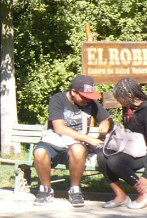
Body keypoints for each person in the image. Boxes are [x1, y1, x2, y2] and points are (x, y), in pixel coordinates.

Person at [32, 74, 112, 208]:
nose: (87, 100)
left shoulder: (89, 102)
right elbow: (59, 129)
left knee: (78, 149)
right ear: (73, 92)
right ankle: (45, 189)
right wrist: (89, 139)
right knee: (39, 152)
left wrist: (105, 122)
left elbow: (106, 117)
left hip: (75, 144)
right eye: (84, 97)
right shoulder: (58, 99)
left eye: (89, 97)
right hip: (54, 141)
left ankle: (75, 190)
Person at [96, 78, 147, 210]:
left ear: (129, 95)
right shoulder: (128, 109)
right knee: (102, 156)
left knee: (114, 161)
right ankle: (121, 197)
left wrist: (146, 176)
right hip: (132, 151)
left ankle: (145, 192)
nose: (118, 101)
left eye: (119, 98)